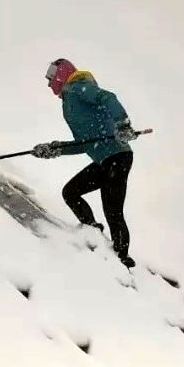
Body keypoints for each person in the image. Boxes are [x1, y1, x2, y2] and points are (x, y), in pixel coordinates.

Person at [32, 58, 138, 268]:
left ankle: (122, 258)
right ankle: (92, 231)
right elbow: (83, 144)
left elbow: (108, 98)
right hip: (104, 159)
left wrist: (123, 124)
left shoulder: (79, 87)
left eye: (51, 74)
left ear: (61, 73)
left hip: (117, 156)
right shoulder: (69, 104)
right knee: (71, 192)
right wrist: (56, 149)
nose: (49, 81)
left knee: (113, 210)